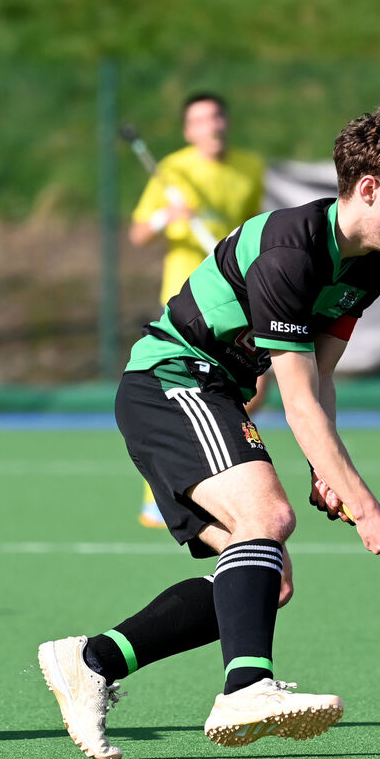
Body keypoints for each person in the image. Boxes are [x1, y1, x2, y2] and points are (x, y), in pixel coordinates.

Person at [38, 105, 380, 759]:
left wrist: (325, 473)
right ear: (369, 188)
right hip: (171, 381)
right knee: (268, 518)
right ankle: (246, 688)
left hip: (215, 391)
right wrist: (368, 510)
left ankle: (91, 661)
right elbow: (297, 403)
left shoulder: (369, 265)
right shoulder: (290, 251)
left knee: (264, 582)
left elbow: (320, 377)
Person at [128, 92, 269, 529]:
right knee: (182, 395)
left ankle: (213, 472)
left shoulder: (250, 167)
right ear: (189, 130)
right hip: (186, 300)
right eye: (202, 120)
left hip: (234, 297)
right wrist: (167, 216)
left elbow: (253, 228)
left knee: (254, 390)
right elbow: (138, 234)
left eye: (218, 116)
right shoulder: (172, 170)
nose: (213, 125)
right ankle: (161, 494)